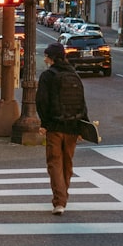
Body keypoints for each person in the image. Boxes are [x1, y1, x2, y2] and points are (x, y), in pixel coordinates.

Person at [35, 42, 87, 216]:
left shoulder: (48, 76)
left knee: (55, 162)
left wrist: (44, 124)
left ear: (52, 58)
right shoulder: (74, 75)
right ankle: (63, 195)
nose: (45, 59)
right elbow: (81, 101)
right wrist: (82, 126)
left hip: (55, 127)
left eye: (47, 56)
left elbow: (42, 102)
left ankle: (60, 200)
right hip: (73, 126)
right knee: (67, 163)